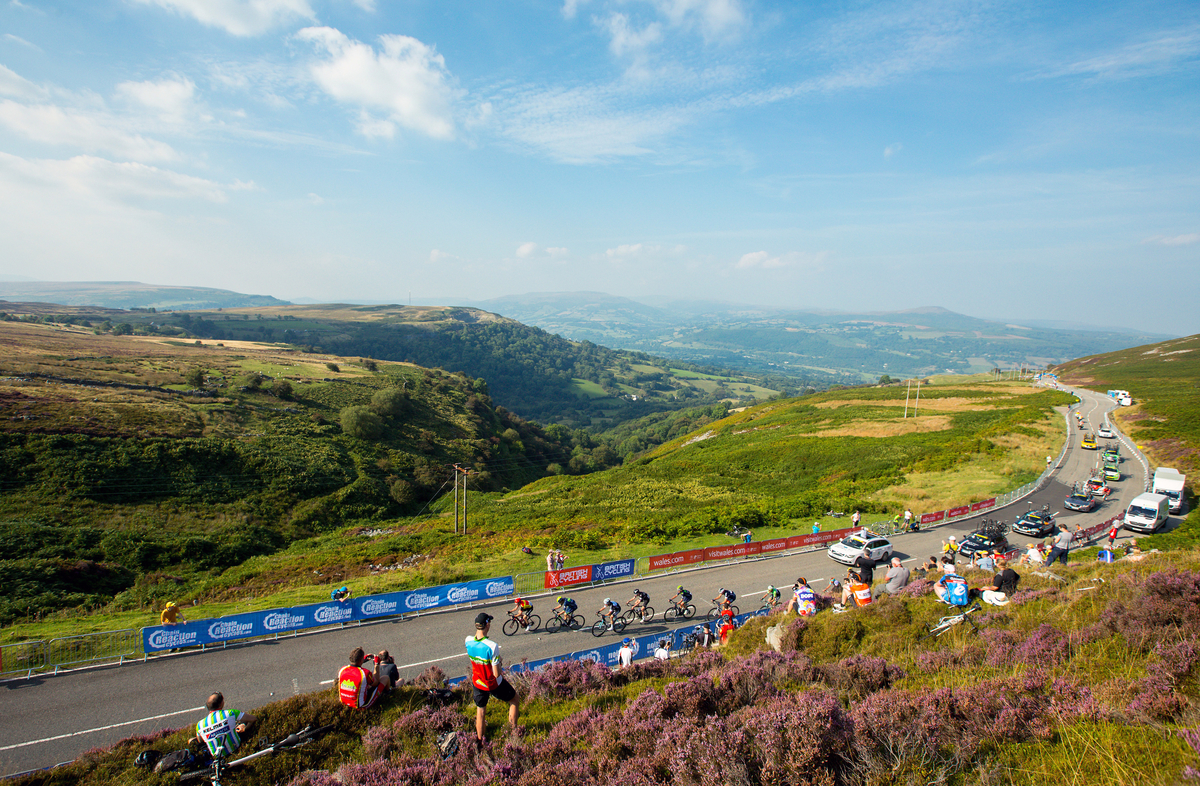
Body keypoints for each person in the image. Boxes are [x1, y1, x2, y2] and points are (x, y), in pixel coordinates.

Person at [465, 613, 519, 746]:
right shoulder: (492, 646)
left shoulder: (468, 640)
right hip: (492, 683)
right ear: (487, 625)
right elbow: (496, 673)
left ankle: (480, 742)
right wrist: (499, 663)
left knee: (481, 710)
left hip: (477, 682)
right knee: (515, 700)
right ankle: (513, 733)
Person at [194, 692, 255, 758]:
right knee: (243, 721)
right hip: (236, 749)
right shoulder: (230, 713)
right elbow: (253, 719)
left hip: (217, 758)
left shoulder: (199, 725)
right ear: (221, 704)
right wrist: (244, 728)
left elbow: (200, 741)